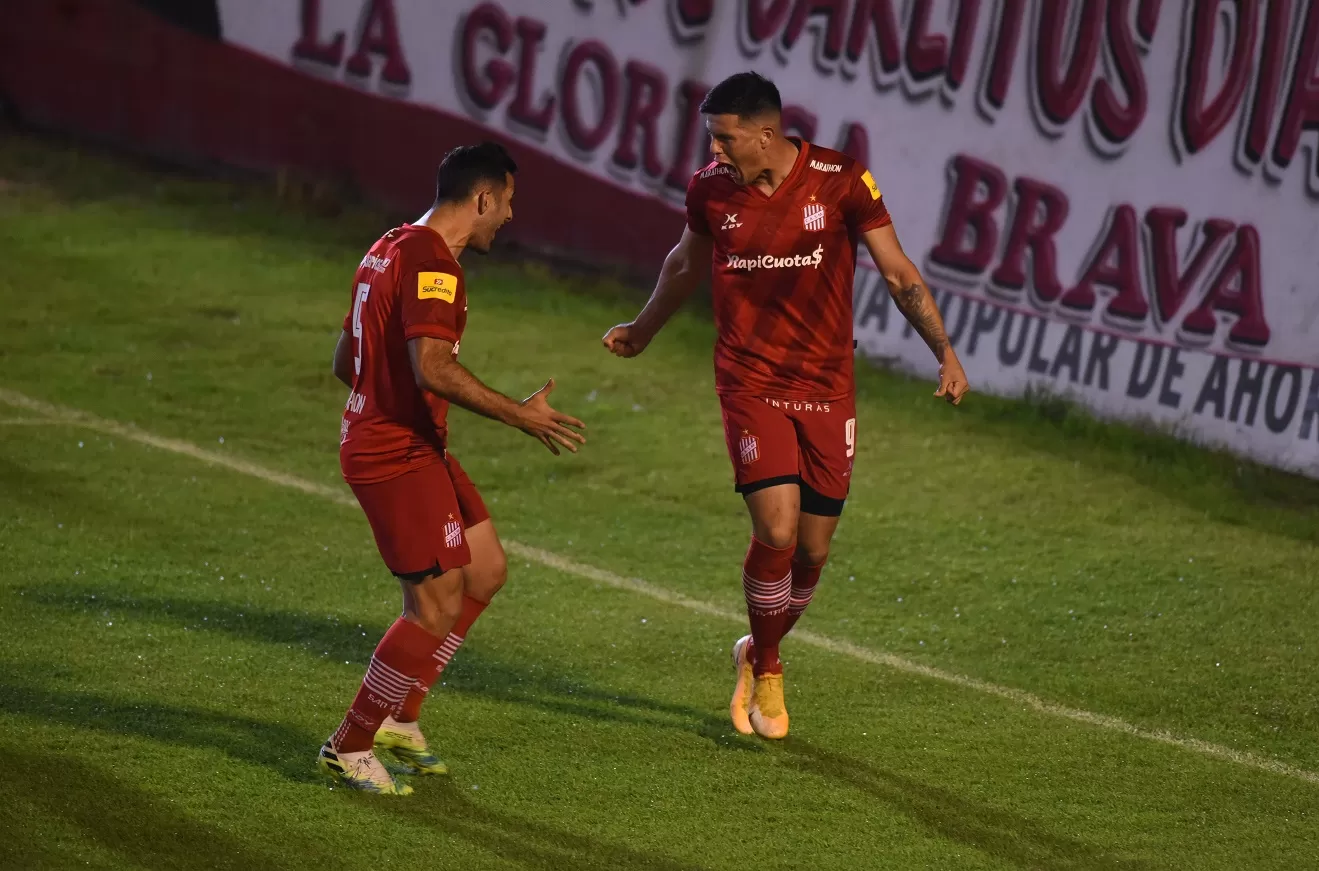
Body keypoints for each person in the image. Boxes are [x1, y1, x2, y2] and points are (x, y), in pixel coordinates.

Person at [602, 72, 968, 740]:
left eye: (724, 138)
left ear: (765, 135)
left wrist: (943, 350)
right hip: (749, 380)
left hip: (827, 386)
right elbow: (684, 265)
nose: (714, 152)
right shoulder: (711, 190)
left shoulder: (842, 182)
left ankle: (753, 646)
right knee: (776, 527)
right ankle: (768, 663)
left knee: (812, 550)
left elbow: (897, 272)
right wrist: (643, 328)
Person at [320, 143, 586, 794]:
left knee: (485, 568)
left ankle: (401, 721)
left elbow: (342, 359)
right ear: (483, 198)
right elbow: (433, 367)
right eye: (509, 202)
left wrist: (385, 398)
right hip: (395, 452)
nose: (511, 216)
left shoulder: (388, 245)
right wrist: (518, 415)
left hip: (412, 442)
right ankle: (350, 743)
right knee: (433, 606)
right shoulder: (434, 263)